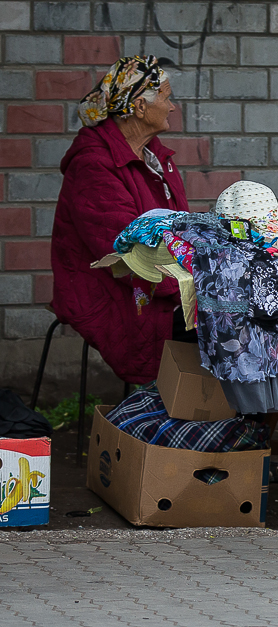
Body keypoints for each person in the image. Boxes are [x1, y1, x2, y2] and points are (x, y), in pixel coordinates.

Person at [51, 56, 191, 384]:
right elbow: (130, 254)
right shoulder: (94, 167)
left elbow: (181, 229)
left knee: (242, 311)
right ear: (140, 106)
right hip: (113, 291)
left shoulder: (155, 158)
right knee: (224, 321)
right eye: (167, 98)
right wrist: (193, 285)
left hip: (159, 282)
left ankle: (216, 420)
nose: (172, 107)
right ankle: (195, 417)